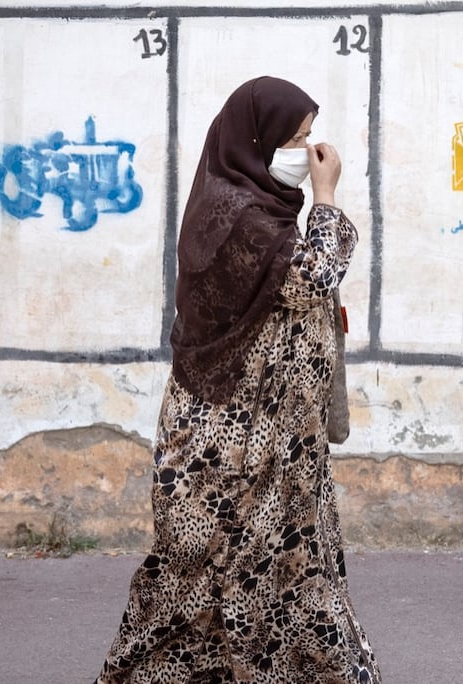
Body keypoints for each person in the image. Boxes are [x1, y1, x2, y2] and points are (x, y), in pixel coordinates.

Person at [95, 76, 379, 684]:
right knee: (202, 574)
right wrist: (326, 199)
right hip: (226, 443)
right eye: (296, 140)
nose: (307, 154)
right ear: (256, 142)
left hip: (276, 439)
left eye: (308, 139)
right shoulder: (239, 218)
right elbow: (310, 280)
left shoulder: (258, 209)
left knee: (287, 566)